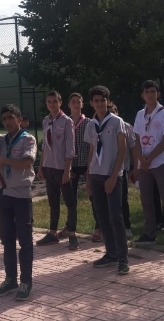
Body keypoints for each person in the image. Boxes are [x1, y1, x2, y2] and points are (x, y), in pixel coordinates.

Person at [0, 104, 37, 301]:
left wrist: (3, 160)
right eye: (4, 119)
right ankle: (10, 279)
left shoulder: (28, 139)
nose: (7, 122)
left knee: (25, 241)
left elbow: (27, 163)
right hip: (4, 194)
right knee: (7, 239)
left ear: (20, 119)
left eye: (11, 117)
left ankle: (26, 281)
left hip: (21, 196)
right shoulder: (1, 140)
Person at [131, 80, 164, 251]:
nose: (150, 95)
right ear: (142, 95)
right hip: (144, 164)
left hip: (160, 162)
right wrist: (141, 159)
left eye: (153, 91)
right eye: (147, 92)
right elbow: (137, 139)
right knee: (146, 200)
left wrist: (150, 157)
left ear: (158, 94)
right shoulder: (140, 114)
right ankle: (149, 234)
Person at [85, 85, 130, 274]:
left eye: (103, 100)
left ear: (108, 101)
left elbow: (122, 151)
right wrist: (88, 177)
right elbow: (92, 151)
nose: (100, 104)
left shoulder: (116, 122)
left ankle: (123, 258)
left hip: (113, 176)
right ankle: (111, 253)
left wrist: (113, 176)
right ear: (91, 103)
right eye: (96, 101)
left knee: (116, 217)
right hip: (96, 175)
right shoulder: (91, 125)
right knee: (102, 217)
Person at [36, 91, 78, 249]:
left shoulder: (67, 121)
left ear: (60, 102)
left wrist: (67, 170)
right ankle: (52, 233)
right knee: (53, 202)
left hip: (61, 168)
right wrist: (41, 167)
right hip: (49, 167)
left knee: (69, 201)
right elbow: (45, 147)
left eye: (55, 101)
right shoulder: (46, 121)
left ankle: (72, 233)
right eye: (49, 101)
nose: (52, 104)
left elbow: (70, 148)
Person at [68, 93, 98, 242]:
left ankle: (99, 227)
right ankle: (70, 227)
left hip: (86, 164)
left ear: (82, 104)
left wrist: (90, 166)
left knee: (93, 196)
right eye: (73, 102)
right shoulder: (65, 122)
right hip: (71, 166)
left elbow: (94, 145)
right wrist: (66, 167)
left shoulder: (89, 123)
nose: (75, 104)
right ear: (69, 105)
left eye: (78, 102)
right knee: (70, 199)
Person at [110, 103, 134, 240]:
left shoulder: (126, 126)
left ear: (117, 112)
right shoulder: (101, 126)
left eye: (113, 112)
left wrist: (135, 167)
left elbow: (133, 147)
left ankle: (126, 227)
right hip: (106, 169)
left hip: (122, 168)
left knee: (122, 199)